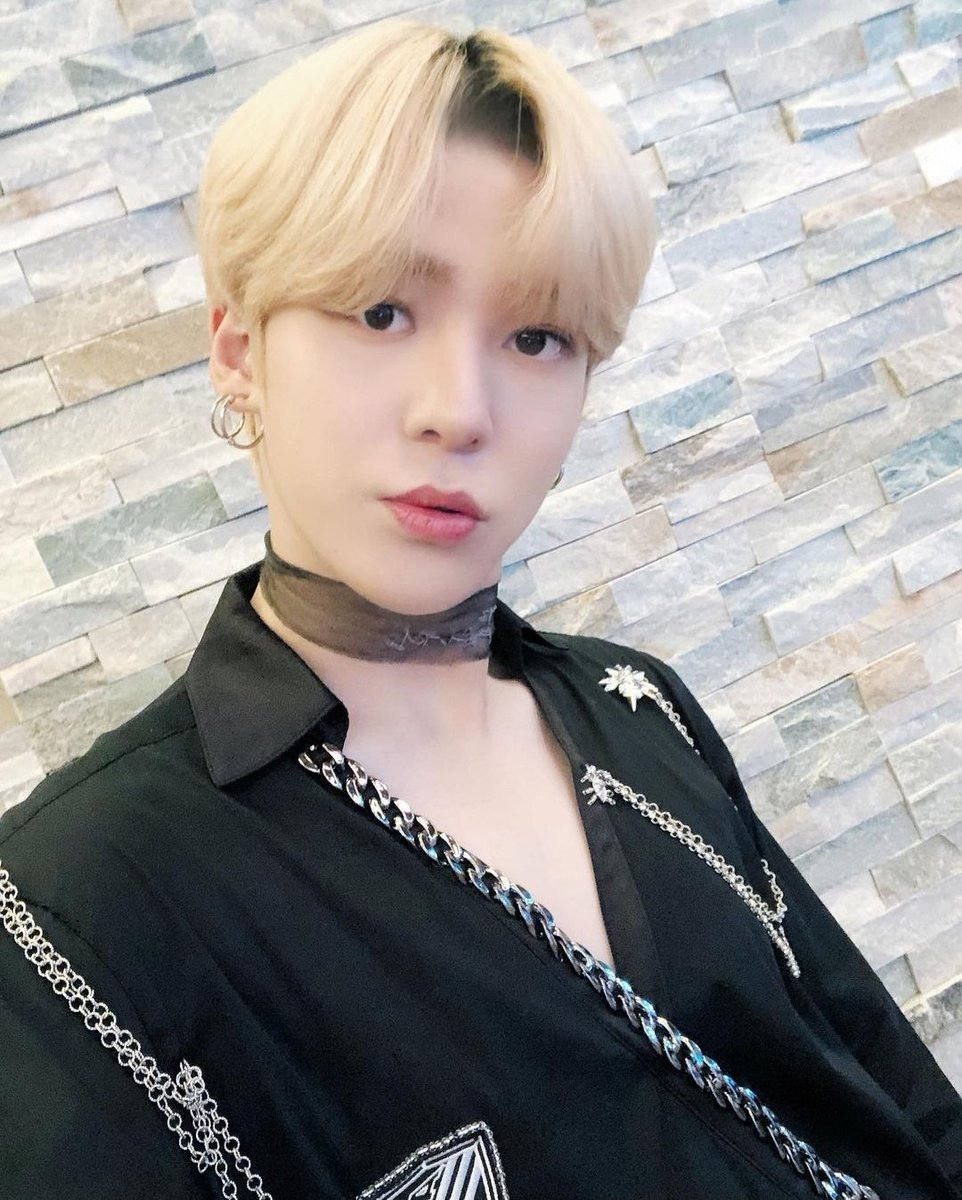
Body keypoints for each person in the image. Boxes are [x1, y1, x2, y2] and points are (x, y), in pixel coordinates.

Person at [1, 18, 960, 1200]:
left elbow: (896, 1094)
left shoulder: (639, 710)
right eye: (380, 312)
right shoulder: (72, 905)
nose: (458, 410)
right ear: (240, 352)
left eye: (536, 336)